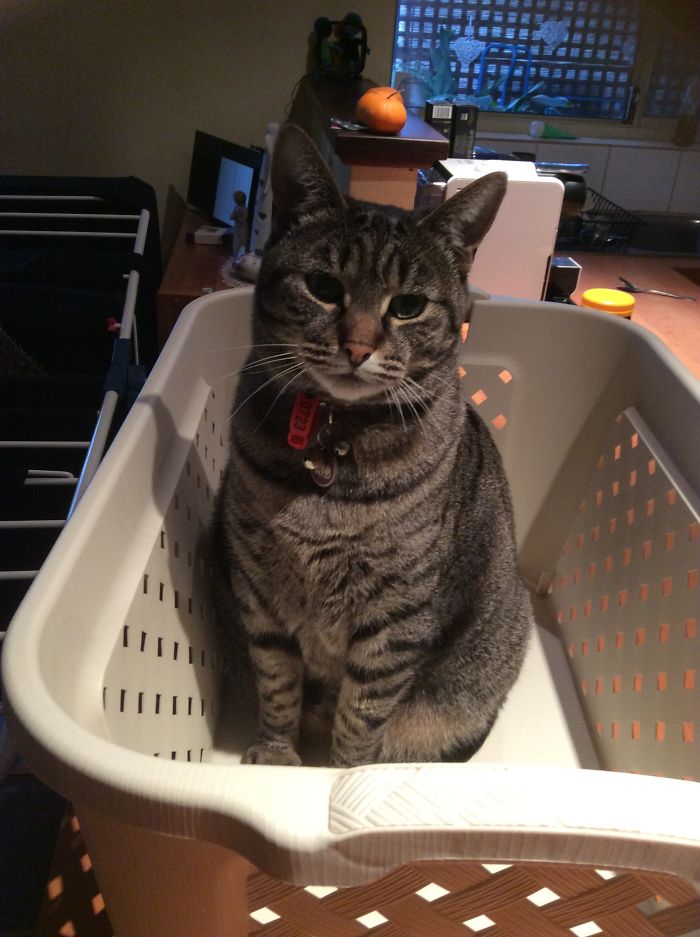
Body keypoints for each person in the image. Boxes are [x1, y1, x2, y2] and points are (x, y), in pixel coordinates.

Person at [230, 190, 248, 259]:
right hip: (237, 229)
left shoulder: (244, 209)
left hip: (242, 229)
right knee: (235, 243)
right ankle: (235, 257)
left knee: (241, 244)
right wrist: (234, 215)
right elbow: (231, 217)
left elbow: (244, 220)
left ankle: (239, 258)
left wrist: (238, 217)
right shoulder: (236, 208)